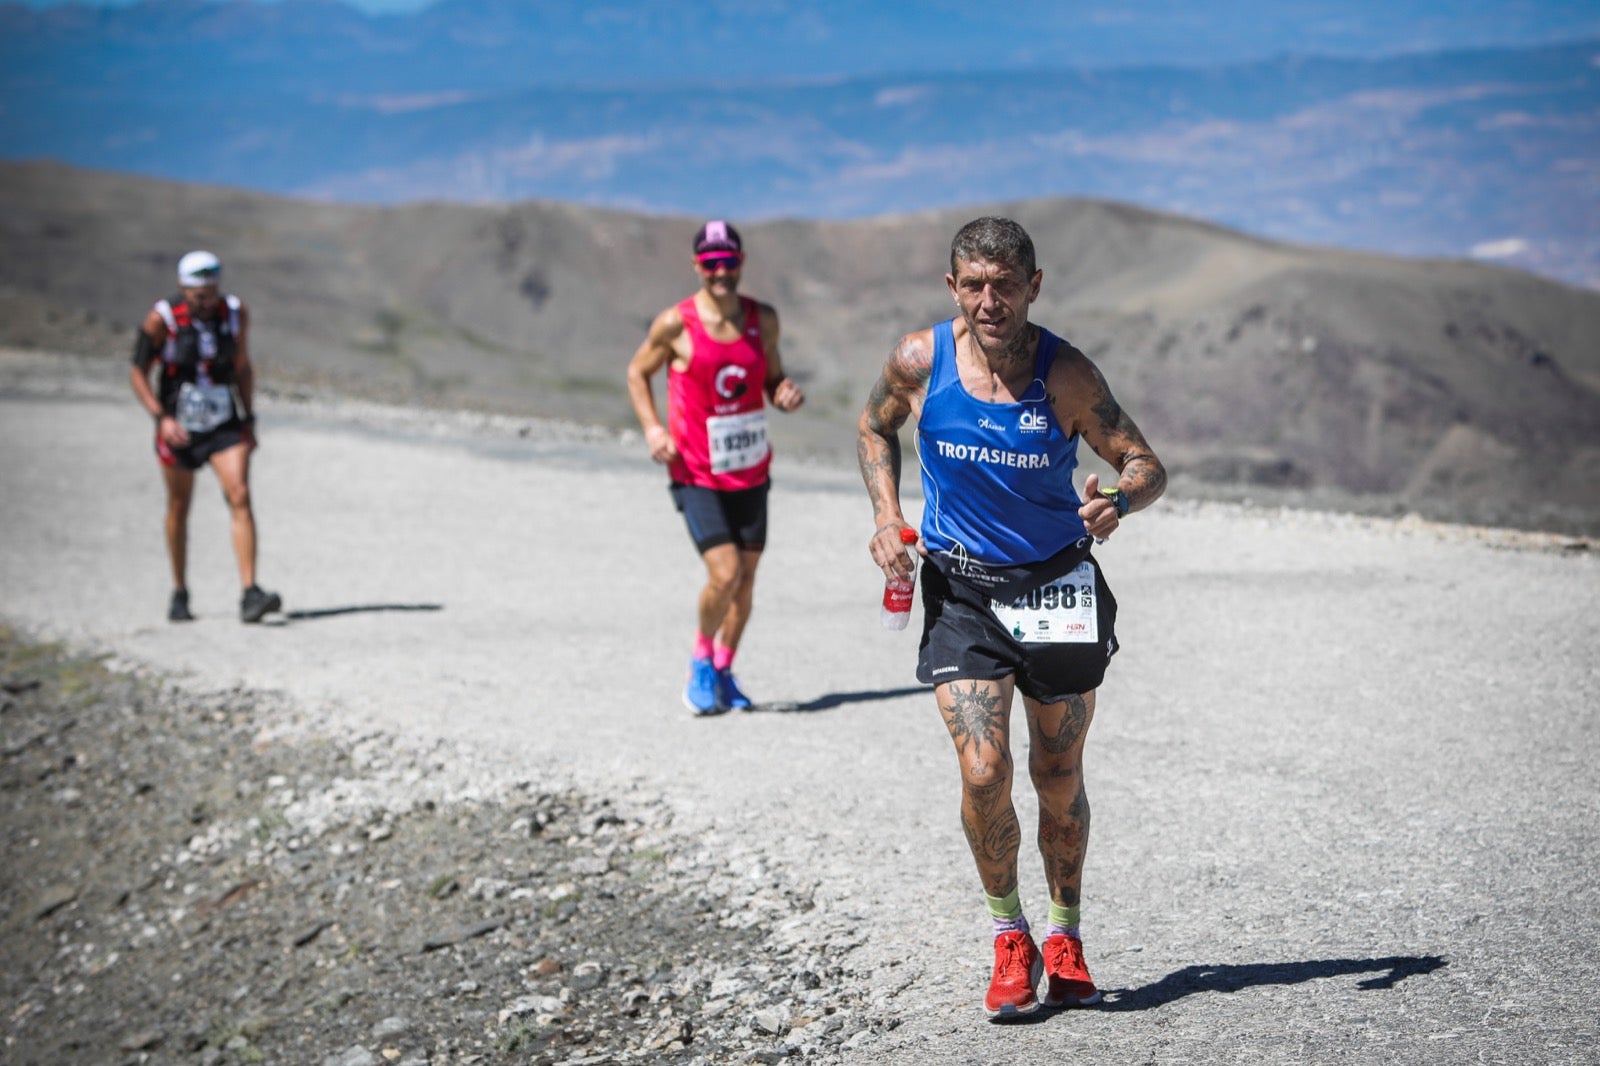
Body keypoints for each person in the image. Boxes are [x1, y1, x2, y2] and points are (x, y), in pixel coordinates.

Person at [856, 217, 1166, 1019]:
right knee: (985, 771)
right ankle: (1009, 934)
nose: (989, 301)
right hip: (962, 593)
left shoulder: (1066, 376)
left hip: (1057, 587)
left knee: (1057, 777)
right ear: (952, 286)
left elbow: (1144, 463)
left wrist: (1119, 500)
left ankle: (1065, 934)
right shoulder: (920, 361)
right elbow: (874, 425)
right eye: (973, 285)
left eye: (1005, 285)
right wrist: (888, 517)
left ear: (1034, 285)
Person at [627, 221, 805, 714]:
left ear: (741, 261)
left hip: (749, 471)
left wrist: (783, 393)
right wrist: (653, 429)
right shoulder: (674, 324)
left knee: (745, 580)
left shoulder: (762, 319)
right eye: (711, 263)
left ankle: (725, 669)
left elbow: (772, 378)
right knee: (724, 574)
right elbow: (637, 372)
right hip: (696, 473)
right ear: (697, 266)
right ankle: (701, 662)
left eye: (729, 261)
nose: (721, 271)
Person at [129, 250, 283, 624]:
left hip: (223, 420)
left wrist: (248, 417)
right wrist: (161, 418)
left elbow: (243, 366)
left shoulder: (234, 314)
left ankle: (250, 592)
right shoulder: (161, 319)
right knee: (179, 506)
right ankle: (180, 591)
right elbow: (137, 370)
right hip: (179, 425)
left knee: (240, 494)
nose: (207, 301)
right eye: (199, 294)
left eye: (212, 292)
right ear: (184, 289)